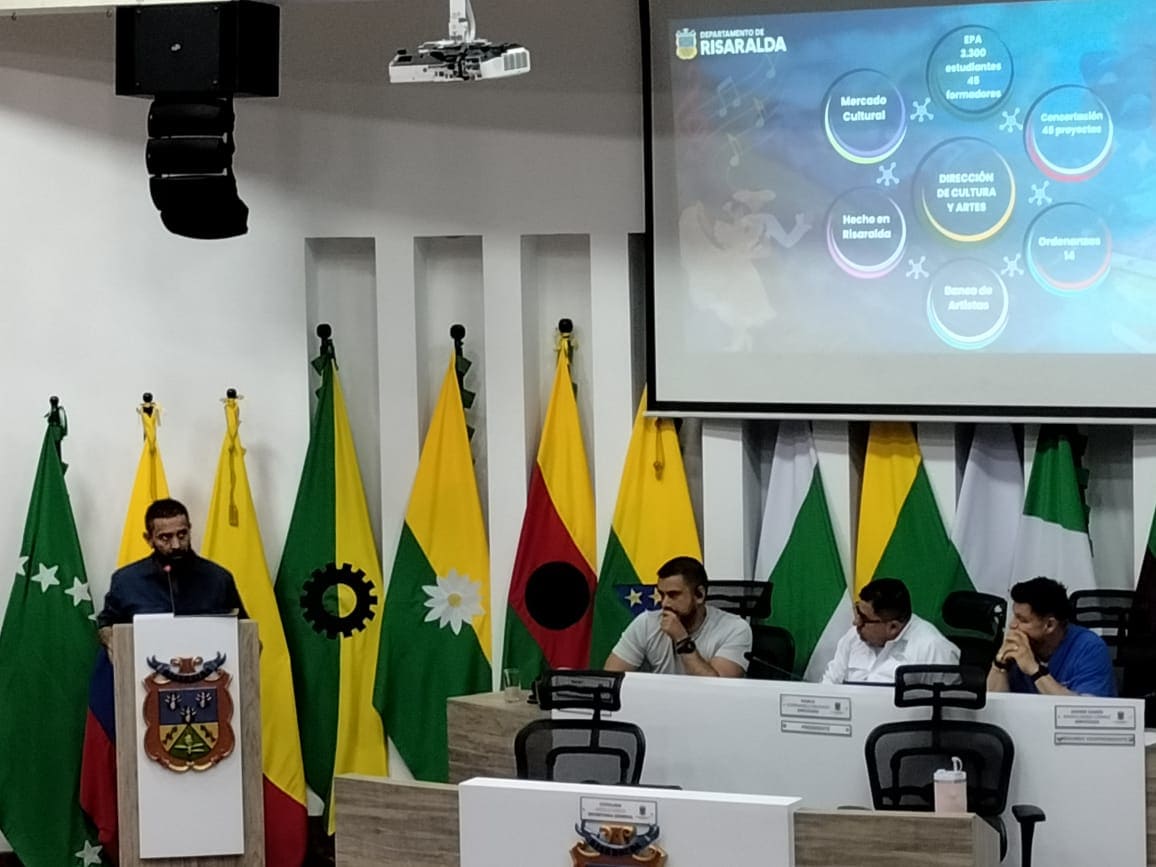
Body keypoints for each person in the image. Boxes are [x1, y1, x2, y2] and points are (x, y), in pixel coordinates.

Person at [97, 498, 246, 649]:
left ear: (190, 530)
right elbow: (106, 624)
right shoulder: (126, 581)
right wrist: (111, 642)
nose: (176, 545)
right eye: (165, 538)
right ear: (149, 539)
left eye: (182, 535)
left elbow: (243, 629)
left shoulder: (219, 579)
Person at [604, 556, 752, 677]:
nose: (664, 603)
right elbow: (610, 679)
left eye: (673, 595)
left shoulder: (735, 629)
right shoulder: (647, 623)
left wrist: (682, 640)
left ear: (700, 595)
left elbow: (718, 691)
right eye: (661, 595)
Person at [987, 576, 1116, 697]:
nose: (1012, 625)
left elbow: (1081, 710)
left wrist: (1034, 670)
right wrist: (1000, 665)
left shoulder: (1090, 648)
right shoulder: (1018, 647)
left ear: (1050, 625)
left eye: (1023, 620)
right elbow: (994, 704)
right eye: (1014, 616)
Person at [821, 577, 959, 684]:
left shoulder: (932, 648)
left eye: (864, 618)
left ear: (893, 627)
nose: (856, 622)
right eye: (857, 611)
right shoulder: (854, 636)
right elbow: (830, 683)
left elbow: (949, 705)